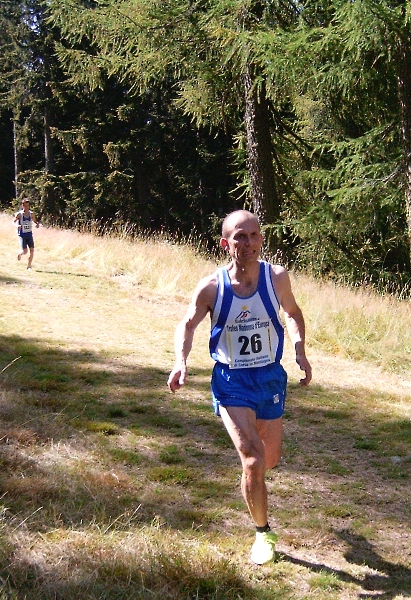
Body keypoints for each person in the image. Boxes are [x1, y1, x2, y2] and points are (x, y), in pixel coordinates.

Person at [167, 209, 312, 565]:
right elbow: (188, 324)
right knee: (252, 458)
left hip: (269, 377)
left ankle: (253, 480)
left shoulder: (276, 277)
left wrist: (299, 351)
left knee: (268, 460)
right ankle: (263, 533)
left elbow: (292, 313)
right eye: (239, 237)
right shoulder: (211, 287)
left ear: (261, 239)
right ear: (225, 244)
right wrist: (180, 361)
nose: (248, 243)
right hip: (231, 380)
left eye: (254, 235)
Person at [14, 199, 40, 270]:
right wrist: (17, 226)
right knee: (25, 251)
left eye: (28, 206)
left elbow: (35, 221)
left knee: (32, 250)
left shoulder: (31, 214)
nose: (27, 207)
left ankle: (29, 266)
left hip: (29, 234)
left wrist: (37, 224)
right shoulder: (19, 214)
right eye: (25, 206)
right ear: (22, 206)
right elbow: (13, 222)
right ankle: (20, 253)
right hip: (22, 235)